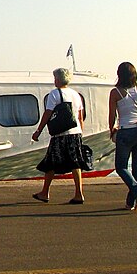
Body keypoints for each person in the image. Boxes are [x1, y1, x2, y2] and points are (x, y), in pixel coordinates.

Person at [31, 68, 88, 204]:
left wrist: (38, 130)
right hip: (75, 133)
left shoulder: (55, 94)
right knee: (75, 163)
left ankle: (45, 193)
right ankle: (79, 193)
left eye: (55, 77)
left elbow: (48, 113)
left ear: (58, 79)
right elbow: (79, 117)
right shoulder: (76, 95)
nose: (54, 80)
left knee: (51, 162)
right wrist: (80, 132)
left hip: (61, 134)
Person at [108, 61, 137, 212]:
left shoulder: (116, 92)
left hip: (125, 132)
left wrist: (112, 130)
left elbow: (112, 116)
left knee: (121, 167)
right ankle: (131, 203)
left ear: (119, 75)